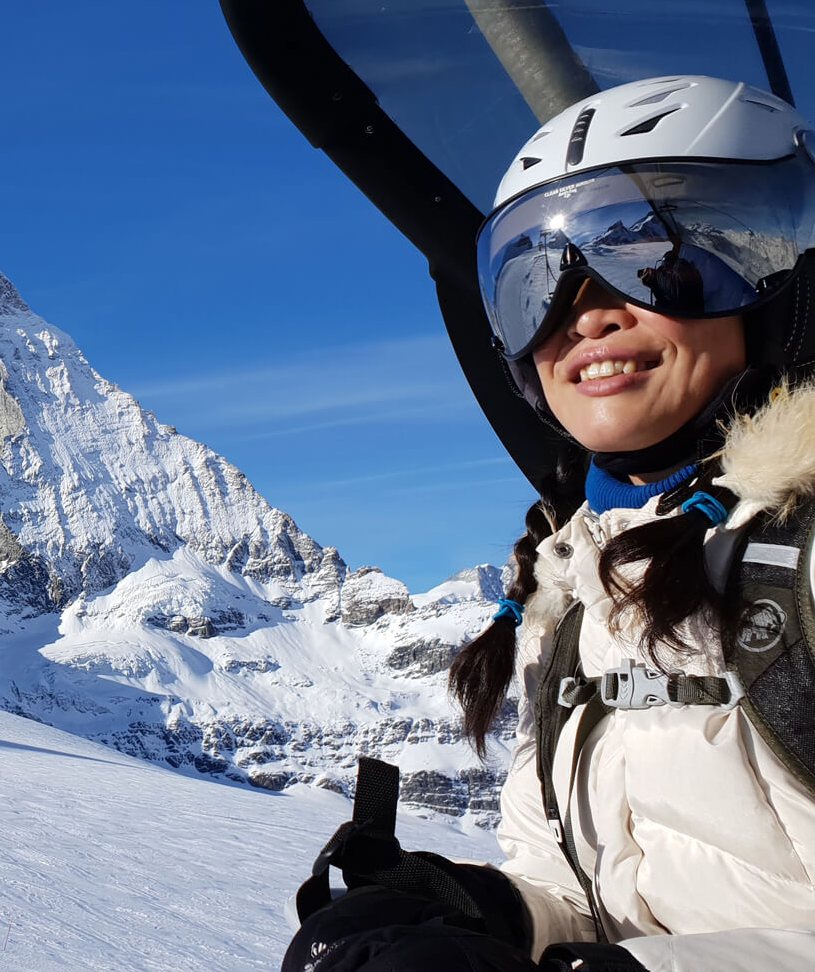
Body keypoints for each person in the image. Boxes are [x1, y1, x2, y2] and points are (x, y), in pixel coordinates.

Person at [284, 75, 815, 972]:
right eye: (536, 279)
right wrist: (478, 913)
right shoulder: (565, 596)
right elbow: (580, 891)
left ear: (782, 283)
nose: (586, 313)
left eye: (657, 260)